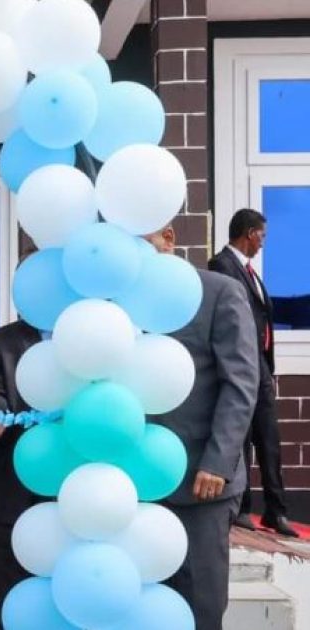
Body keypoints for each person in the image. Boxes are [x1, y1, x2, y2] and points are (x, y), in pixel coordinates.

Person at [146, 224, 258, 630]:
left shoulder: (218, 292)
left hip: (200, 483)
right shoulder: (118, 302)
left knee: (199, 606)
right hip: (135, 487)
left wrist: (217, 461)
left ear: (169, 237)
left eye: (142, 240)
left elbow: (241, 385)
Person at [208, 208, 297, 537]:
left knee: (269, 441)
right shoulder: (222, 265)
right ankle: (242, 508)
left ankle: (276, 511)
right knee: (242, 440)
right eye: (262, 236)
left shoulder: (251, 272)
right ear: (248, 233)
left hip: (261, 367)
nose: (263, 243)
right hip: (243, 366)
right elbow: (236, 318)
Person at [0, 244, 44, 630]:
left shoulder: (90, 336)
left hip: (77, 506)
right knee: (9, 611)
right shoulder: (1, 341)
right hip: (10, 500)